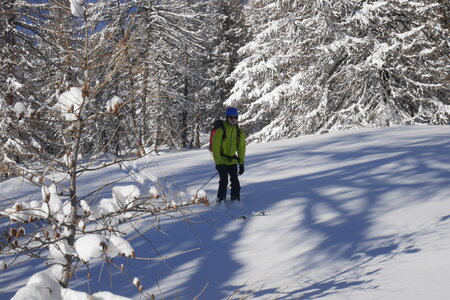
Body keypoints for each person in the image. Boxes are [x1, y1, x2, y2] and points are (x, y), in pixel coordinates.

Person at [212, 107, 246, 202]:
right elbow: (215, 147)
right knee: (224, 181)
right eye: (231, 117)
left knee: (235, 181)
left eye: (235, 117)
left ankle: (235, 200)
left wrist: (241, 163)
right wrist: (218, 163)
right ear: (227, 118)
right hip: (221, 160)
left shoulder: (239, 132)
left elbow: (241, 148)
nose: (233, 119)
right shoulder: (221, 130)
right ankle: (220, 199)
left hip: (232, 160)